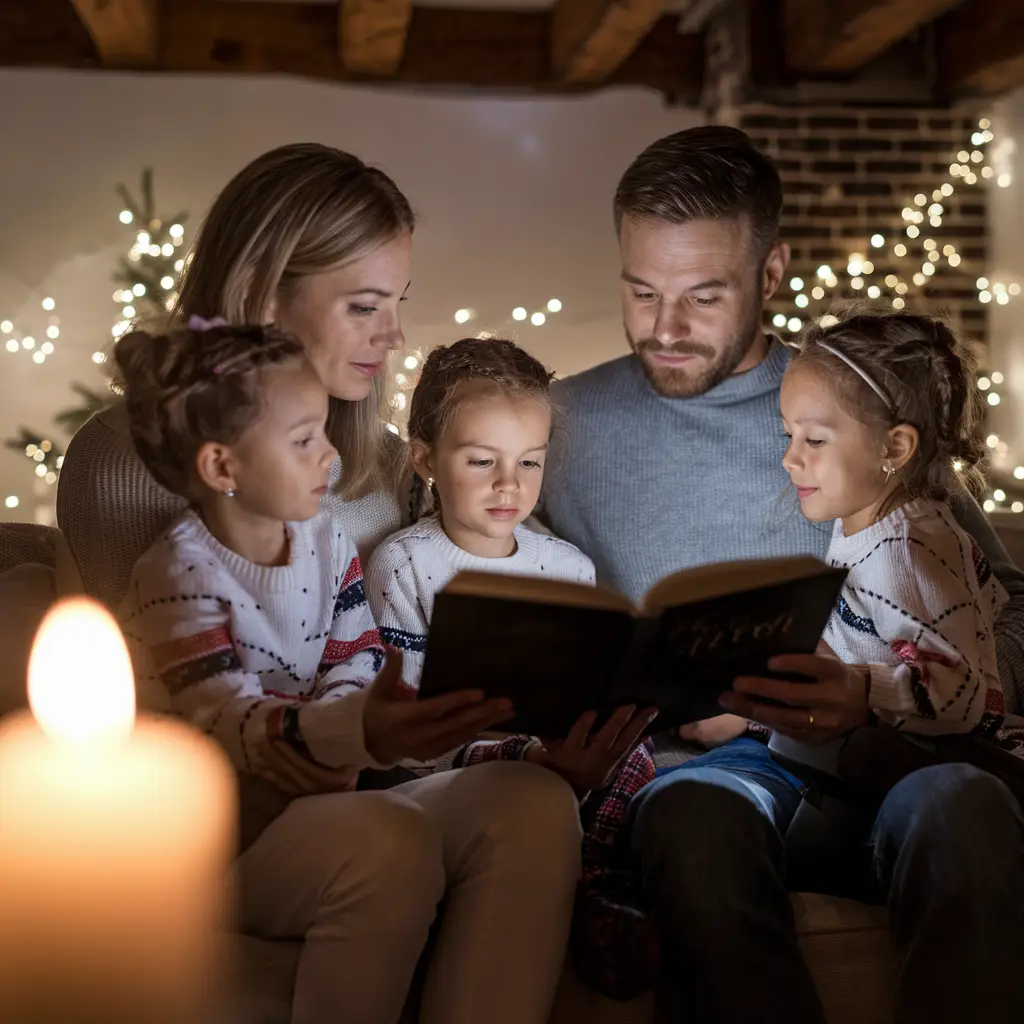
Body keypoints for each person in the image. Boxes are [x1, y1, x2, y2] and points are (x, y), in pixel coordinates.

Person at [60, 145, 584, 1024]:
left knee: (530, 804)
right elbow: (176, 712)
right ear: (269, 298)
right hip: (225, 813)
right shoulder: (130, 469)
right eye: (365, 306)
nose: (394, 336)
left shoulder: (367, 466)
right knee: (385, 839)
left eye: (398, 305)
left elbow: (364, 645)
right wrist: (357, 731)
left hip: (359, 776)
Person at [540, 125, 1024, 1024]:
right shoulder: (562, 425)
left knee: (965, 804)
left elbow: (1008, 621)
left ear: (770, 275)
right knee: (689, 822)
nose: (665, 329)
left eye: (702, 296)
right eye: (640, 292)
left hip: (886, 764)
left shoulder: (854, 402)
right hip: (715, 778)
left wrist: (879, 690)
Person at [365, 336, 659, 999]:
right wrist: (526, 755)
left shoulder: (568, 567)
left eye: (529, 462)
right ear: (426, 459)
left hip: (569, 756)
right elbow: (404, 738)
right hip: (463, 768)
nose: (509, 484)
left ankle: (598, 876)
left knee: (642, 750)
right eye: (481, 461)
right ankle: (589, 877)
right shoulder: (405, 564)